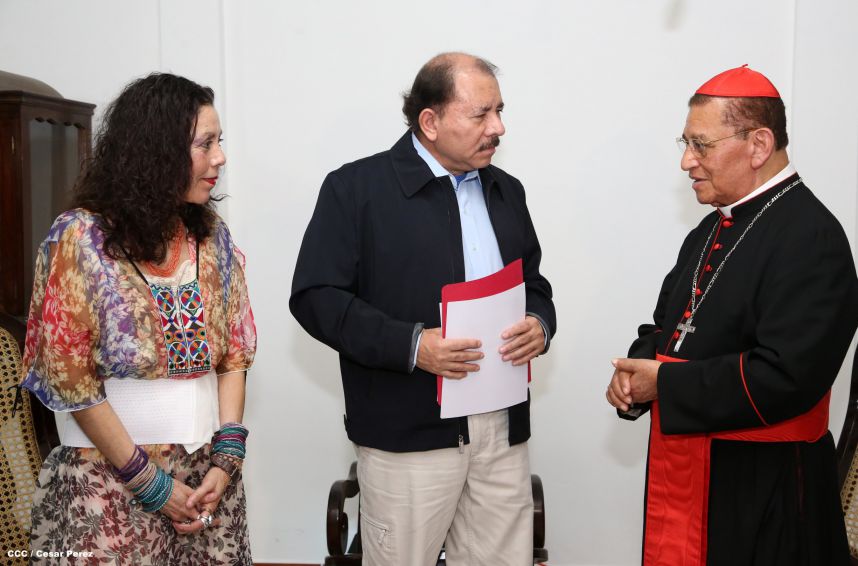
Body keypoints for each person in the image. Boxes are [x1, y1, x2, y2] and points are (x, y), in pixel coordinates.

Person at [290, 52, 555, 566]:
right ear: (429, 122)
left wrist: (541, 324)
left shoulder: (507, 191)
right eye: (481, 114)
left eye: (499, 110)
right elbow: (315, 297)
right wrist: (411, 345)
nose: (498, 127)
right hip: (407, 434)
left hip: (500, 427)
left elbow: (534, 283)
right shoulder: (356, 189)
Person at [606, 65, 858, 566]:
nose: (686, 161)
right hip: (692, 474)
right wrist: (636, 375)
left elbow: (786, 375)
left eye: (701, 145)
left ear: (759, 145)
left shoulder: (812, 238)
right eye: (686, 142)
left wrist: (667, 385)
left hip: (768, 491)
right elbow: (664, 328)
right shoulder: (709, 229)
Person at [20, 73, 256, 564]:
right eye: (205, 144)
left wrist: (226, 462)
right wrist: (148, 481)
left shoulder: (214, 240)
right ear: (158, 151)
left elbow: (235, 354)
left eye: (220, 142)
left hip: (207, 483)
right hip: (106, 481)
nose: (220, 158)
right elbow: (72, 382)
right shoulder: (80, 239)